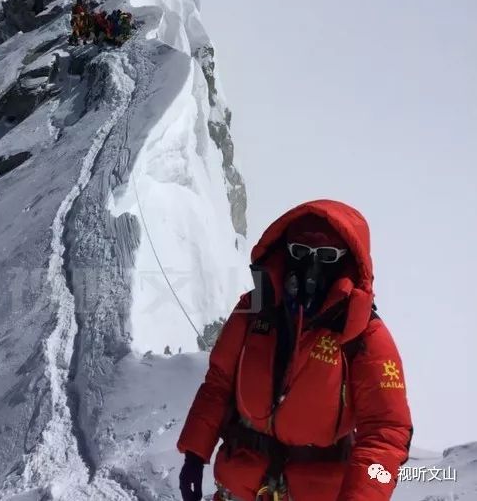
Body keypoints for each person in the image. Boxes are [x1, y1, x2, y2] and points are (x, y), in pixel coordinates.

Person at [177, 200, 412, 501]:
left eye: (327, 256)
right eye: (300, 252)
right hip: (238, 486)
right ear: (285, 253)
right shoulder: (255, 310)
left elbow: (386, 432)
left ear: (347, 262)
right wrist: (195, 454)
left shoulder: (363, 333)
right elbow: (220, 383)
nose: (311, 267)